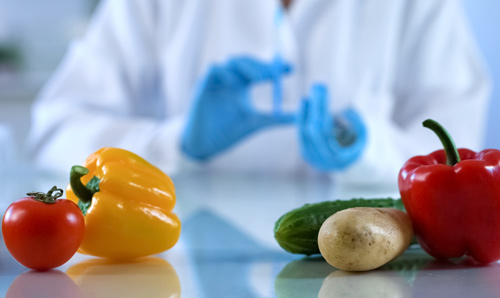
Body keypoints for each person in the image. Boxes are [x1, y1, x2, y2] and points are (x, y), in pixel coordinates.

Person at [27, 0, 490, 191]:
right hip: (178, 267)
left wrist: (372, 152)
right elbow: (56, 129)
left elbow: (459, 156)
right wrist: (175, 145)